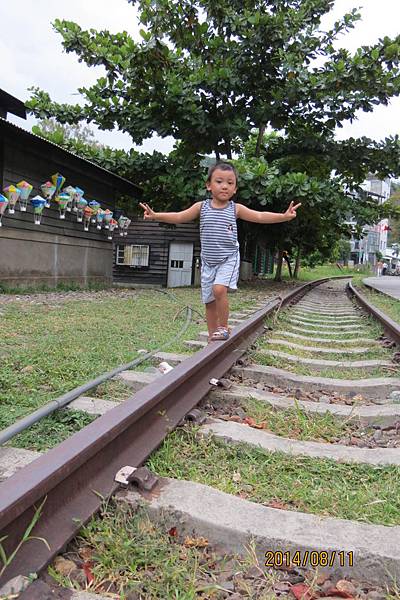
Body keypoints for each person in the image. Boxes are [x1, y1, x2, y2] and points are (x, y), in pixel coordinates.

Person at [140, 162, 301, 341]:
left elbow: (260, 216)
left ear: (235, 189)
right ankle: (212, 337)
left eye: (230, 183)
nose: (224, 186)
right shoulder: (201, 207)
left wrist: (284, 216)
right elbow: (179, 216)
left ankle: (223, 327)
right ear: (209, 185)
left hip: (228, 259)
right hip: (208, 261)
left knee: (218, 290)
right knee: (209, 302)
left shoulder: (235, 209)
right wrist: (156, 215)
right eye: (219, 181)